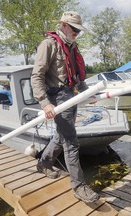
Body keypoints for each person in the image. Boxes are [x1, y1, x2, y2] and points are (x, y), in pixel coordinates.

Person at [31, 11, 100, 203]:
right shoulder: (48, 45)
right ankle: (78, 186)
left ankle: (44, 163)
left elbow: (76, 75)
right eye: (74, 28)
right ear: (63, 25)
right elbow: (36, 76)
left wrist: (87, 93)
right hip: (57, 97)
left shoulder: (72, 47)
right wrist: (45, 103)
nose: (77, 32)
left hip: (71, 96)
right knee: (71, 141)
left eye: (79, 29)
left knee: (61, 136)